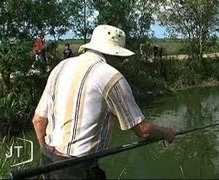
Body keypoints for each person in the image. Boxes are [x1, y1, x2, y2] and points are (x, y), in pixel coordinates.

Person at [32, 25, 175, 179]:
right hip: (79, 168)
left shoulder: (60, 67)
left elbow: (38, 121)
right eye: (120, 57)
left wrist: (47, 154)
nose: (121, 61)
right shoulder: (110, 76)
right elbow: (144, 130)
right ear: (114, 54)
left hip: (47, 160)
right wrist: (165, 133)